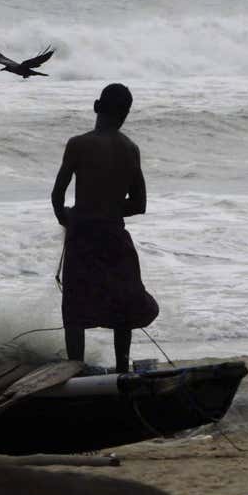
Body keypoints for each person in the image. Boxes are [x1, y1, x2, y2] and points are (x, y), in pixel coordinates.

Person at [50, 83, 159, 372]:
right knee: (122, 306)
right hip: (114, 235)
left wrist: (69, 218)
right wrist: (108, 209)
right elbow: (138, 204)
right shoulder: (130, 149)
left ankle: (74, 368)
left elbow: (57, 196)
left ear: (97, 106)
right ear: (125, 114)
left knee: (75, 310)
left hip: (83, 236)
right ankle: (122, 368)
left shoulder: (78, 144)